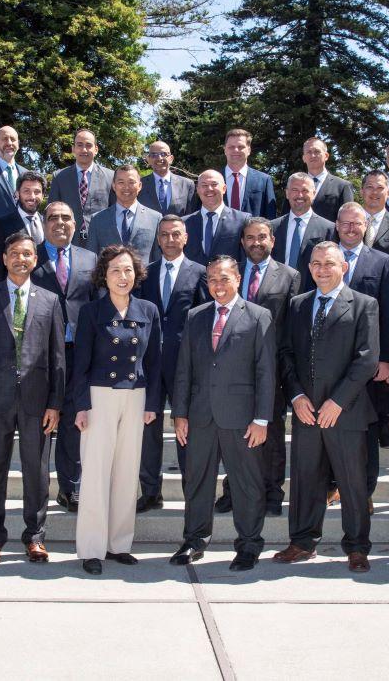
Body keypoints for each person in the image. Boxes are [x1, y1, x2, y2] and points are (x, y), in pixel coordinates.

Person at [276, 242, 379, 572]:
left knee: (352, 482)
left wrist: (338, 401)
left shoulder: (364, 305)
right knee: (306, 479)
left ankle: (357, 547)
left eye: (329, 263)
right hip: (306, 411)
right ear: (309, 268)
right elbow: (287, 354)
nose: (322, 269)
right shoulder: (297, 304)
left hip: (345, 412)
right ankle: (302, 542)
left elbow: (367, 360)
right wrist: (296, 396)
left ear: (344, 267)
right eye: (316, 264)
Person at [170, 256, 275, 571]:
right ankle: (194, 540)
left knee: (246, 484)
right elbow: (184, 369)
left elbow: (266, 371)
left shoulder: (259, 316)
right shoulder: (195, 317)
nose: (218, 285)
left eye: (224, 278)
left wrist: (261, 419)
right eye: (212, 279)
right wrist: (180, 413)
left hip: (242, 418)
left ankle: (248, 545)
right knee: (197, 481)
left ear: (238, 279)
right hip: (201, 415)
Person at [0, 233, 66, 565]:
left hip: (37, 401)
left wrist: (56, 403)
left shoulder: (50, 301)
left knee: (36, 471)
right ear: (4, 258)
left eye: (27, 254)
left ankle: (35, 537)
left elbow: (57, 358)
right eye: (14, 253)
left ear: (35, 259)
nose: (20, 259)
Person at [71, 245, 161, 575]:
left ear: (136, 274)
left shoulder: (148, 309)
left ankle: (119, 544)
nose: (122, 277)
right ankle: (92, 548)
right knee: (95, 474)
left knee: (126, 471)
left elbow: (154, 361)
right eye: (114, 271)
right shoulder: (92, 312)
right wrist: (81, 405)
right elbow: (80, 363)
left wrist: (153, 402)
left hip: (135, 396)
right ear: (103, 276)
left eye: (127, 270)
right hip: (100, 396)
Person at [215, 218, 299, 517]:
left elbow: (292, 328)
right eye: (249, 238)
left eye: (262, 237)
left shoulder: (290, 276)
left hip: (270, 367)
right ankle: (233, 490)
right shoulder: (231, 275)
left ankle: (272, 492)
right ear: (242, 242)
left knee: (271, 432)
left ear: (272, 241)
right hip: (233, 368)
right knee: (234, 431)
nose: (256, 243)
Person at [136, 215, 209, 512]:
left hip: (185, 364)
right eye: (164, 234)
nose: (169, 239)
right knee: (148, 429)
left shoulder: (201, 272)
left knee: (186, 430)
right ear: (157, 238)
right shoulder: (145, 273)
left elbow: (205, 318)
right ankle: (151, 491)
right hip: (150, 362)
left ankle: (192, 493)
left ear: (186, 238)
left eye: (175, 234)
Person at [31, 201, 98, 511]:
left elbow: (99, 305)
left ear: (76, 224)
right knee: (39, 420)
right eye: (53, 217)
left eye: (66, 217)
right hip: (40, 354)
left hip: (79, 352)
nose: (59, 222)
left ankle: (69, 487)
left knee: (73, 421)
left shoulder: (90, 259)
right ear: (44, 224)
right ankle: (37, 488)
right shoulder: (29, 257)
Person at [334, 202, 389, 504]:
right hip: (328, 363)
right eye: (344, 223)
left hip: (368, 364)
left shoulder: (383, 262)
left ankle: (366, 491)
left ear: (366, 227)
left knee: (367, 430)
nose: (350, 228)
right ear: (336, 226)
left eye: (356, 223)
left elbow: (387, 312)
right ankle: (334, 486)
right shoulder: (323, 258)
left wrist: (385, 358)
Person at [47, 128, 116, 248]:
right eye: (79, 145)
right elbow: (51, 212)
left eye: (88, 145)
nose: (84, 149)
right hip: (69, 243)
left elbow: (115, 211)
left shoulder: (110, 177)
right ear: (73, 149)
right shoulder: (59, 177)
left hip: (101, 243)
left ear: (96, 149)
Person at [86, 164, 162, 266]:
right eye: (121, 182)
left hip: (145, 281)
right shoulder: (97, 219)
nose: (126, 187)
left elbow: (158, 259)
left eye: (131, 182)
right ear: (113, 185)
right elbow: (91, 260)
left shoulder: (155, 218)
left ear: (139, 186)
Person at [270, 173, 335, 288]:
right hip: (276, 294)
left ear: (314, 194)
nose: (300, 195)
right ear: (287, 193)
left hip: (310, 295)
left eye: (305, 190)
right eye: (295, 190)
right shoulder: (272, 227)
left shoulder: (329, 229)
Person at [0, 171, 47, 283]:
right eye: (26, 191)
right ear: (18, 194)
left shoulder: (47, 224)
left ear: (43, 195)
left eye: (37, 192)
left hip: (44, 293)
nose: (32, 196)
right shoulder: (0, 225)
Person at [182, 170, 249, 264]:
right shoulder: (184, 223)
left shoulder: (242, 220)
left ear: (224, 188)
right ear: (197, 190)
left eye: (214, 184)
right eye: (204, 185)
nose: (209, 189)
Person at [219, 128, 276, 218]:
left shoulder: (264, 180)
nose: (236, 150)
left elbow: (270, 216)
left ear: (249, 150)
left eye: (241, 147)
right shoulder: (212, 180)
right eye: (231, 147)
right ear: (225, 150)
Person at [139, 139, 198, 216]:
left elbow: (191, 217)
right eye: (154, 155)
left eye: (163, 154)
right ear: (148, 159)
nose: (159, 158)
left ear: (171, 158)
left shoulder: (187, 185)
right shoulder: (139, 185)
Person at [302, 137, 354, 222]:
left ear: (326, 156)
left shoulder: (342, 186)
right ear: (304, 158)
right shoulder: (294, 186)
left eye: (317, 151)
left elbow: (348, 219)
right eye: (309, 152)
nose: (313, 155)